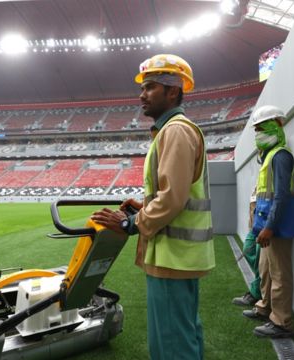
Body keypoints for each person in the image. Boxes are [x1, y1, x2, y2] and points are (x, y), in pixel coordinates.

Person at [91, 54, 215, 360]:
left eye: (150, 87)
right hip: (178, 257)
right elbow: (172, 193)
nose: (141, 95)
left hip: (172, 256)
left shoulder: (175, 131)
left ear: (173, 91)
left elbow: (173, 198)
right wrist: (143, 205)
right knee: (185, 332)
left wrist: (128, 223)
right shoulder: (172, 131)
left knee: (171, 343)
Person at [241, 105, 294, 338]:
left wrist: (269, 227)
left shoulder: (281, 156)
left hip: (278, 227)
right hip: (269, 225)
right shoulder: (270, 156)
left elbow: (281, 196)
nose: (257, 134)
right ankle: (265, 307)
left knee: (279, 275)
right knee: (266, 269)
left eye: (260, 128)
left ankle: (282, 322)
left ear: (275, 126)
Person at [232, 187, 262, 307]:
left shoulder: (273, 169)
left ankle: (256, 294)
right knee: (248, 248)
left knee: (262, 263)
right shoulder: (262, 173)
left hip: (264, 222)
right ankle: (259, 288)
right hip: (255, 222)